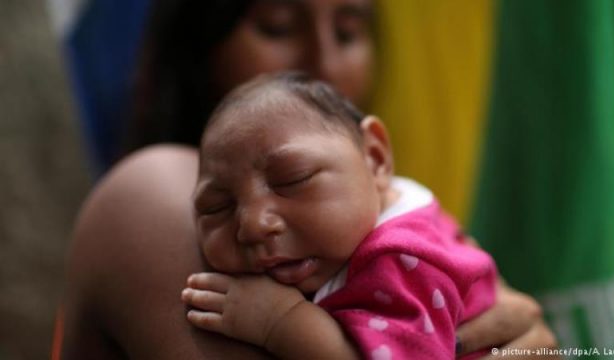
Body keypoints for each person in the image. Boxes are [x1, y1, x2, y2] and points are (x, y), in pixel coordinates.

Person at [59, 0, 556, 358]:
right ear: (197, 40)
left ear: (377, 157)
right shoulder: (150, 191)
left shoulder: (399, 235)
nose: (324, 64)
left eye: (347, 31)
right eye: (276, 25)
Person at [181, 72, 497, 359]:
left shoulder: (400, 258)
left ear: (374, 159)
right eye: (216, 207)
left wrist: (280, 321)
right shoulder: (388, 198)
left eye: (292, 179)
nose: (251, 225)